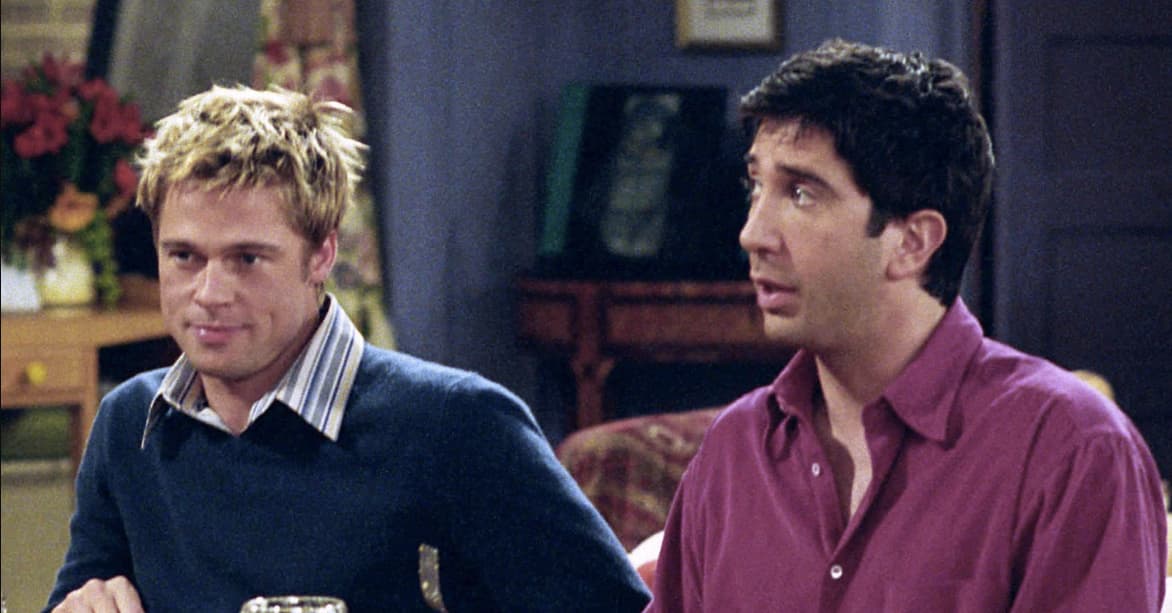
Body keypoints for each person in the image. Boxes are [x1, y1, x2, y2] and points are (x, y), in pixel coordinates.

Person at [45, 85, 651, 612]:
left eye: (247, 259)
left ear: (322, 255)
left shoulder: (458, 426)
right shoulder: (130, 426)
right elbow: (84, 596)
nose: (208, 293)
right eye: (184, 256)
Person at [647, 39, 1167, 611]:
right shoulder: (734, 452)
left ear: (912, 242)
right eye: (756, 187)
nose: (753, 234)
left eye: (800, 193)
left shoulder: (1073, 451)